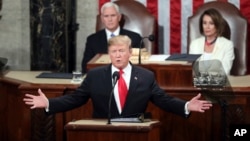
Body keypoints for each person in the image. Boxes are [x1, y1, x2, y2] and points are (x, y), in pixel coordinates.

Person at [23, 35, 212, 119]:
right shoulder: (95, 76)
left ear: (130, 52)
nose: (118, 55)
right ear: (109, 54)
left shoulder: (145, 77)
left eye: (122, 51)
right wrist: (49, 103)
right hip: (101, 133)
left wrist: (186, 105)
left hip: (136, 133)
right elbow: (75, 99)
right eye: (114, 51)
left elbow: (164, 100)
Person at [81, 2, 142, 73]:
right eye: (106, 16)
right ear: (102, 19)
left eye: (113, 15)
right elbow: (85, 66)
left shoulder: (134, 38)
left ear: (119, 17)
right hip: (101, 78)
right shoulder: (92, 40)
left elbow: (139, 66)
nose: (110, 19)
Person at [189, 8, 235, 75]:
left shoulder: (227, 45)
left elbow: (224, 71)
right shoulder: (195, 44)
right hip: (197, 83)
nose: (207, 27)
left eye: (211, 23)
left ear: (217, 25)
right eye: (204, 23)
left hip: (218, 84)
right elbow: (192, 69)